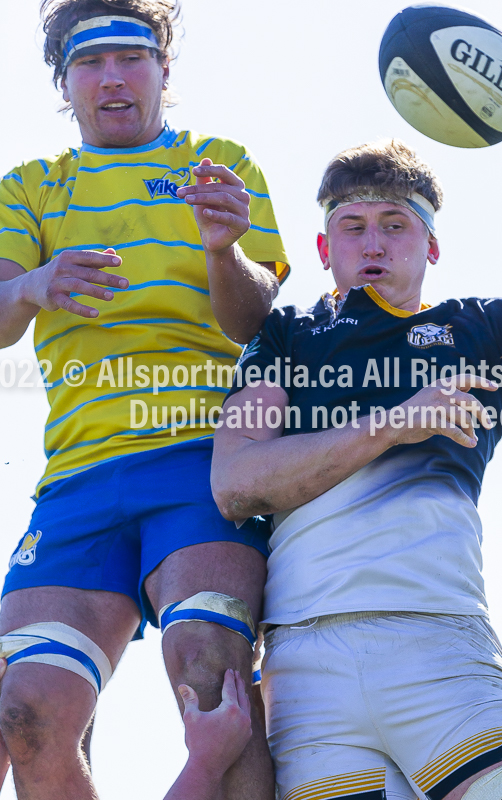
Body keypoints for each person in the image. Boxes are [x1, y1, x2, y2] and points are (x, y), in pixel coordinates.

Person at [211, 55, 502, 800]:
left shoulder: (485, 332)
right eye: (354, 226)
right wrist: (392, 426)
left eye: (397, 226)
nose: (374, 244)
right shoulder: (286, 336)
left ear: (431, 245)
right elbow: (236, 484)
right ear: (323, 249)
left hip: (439, 640)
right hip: (308, 668)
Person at [0, 1, 288, 798]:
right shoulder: (32, 186)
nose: (114, 77)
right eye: (91, 64)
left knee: (210, 675)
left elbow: (260, 322)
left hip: (200, 459)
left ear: (165, 72)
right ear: (65, 84)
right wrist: (31, 282)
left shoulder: (220, 162)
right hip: (78, 481)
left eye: (133, 58)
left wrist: (224, 252)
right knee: (26, 712)